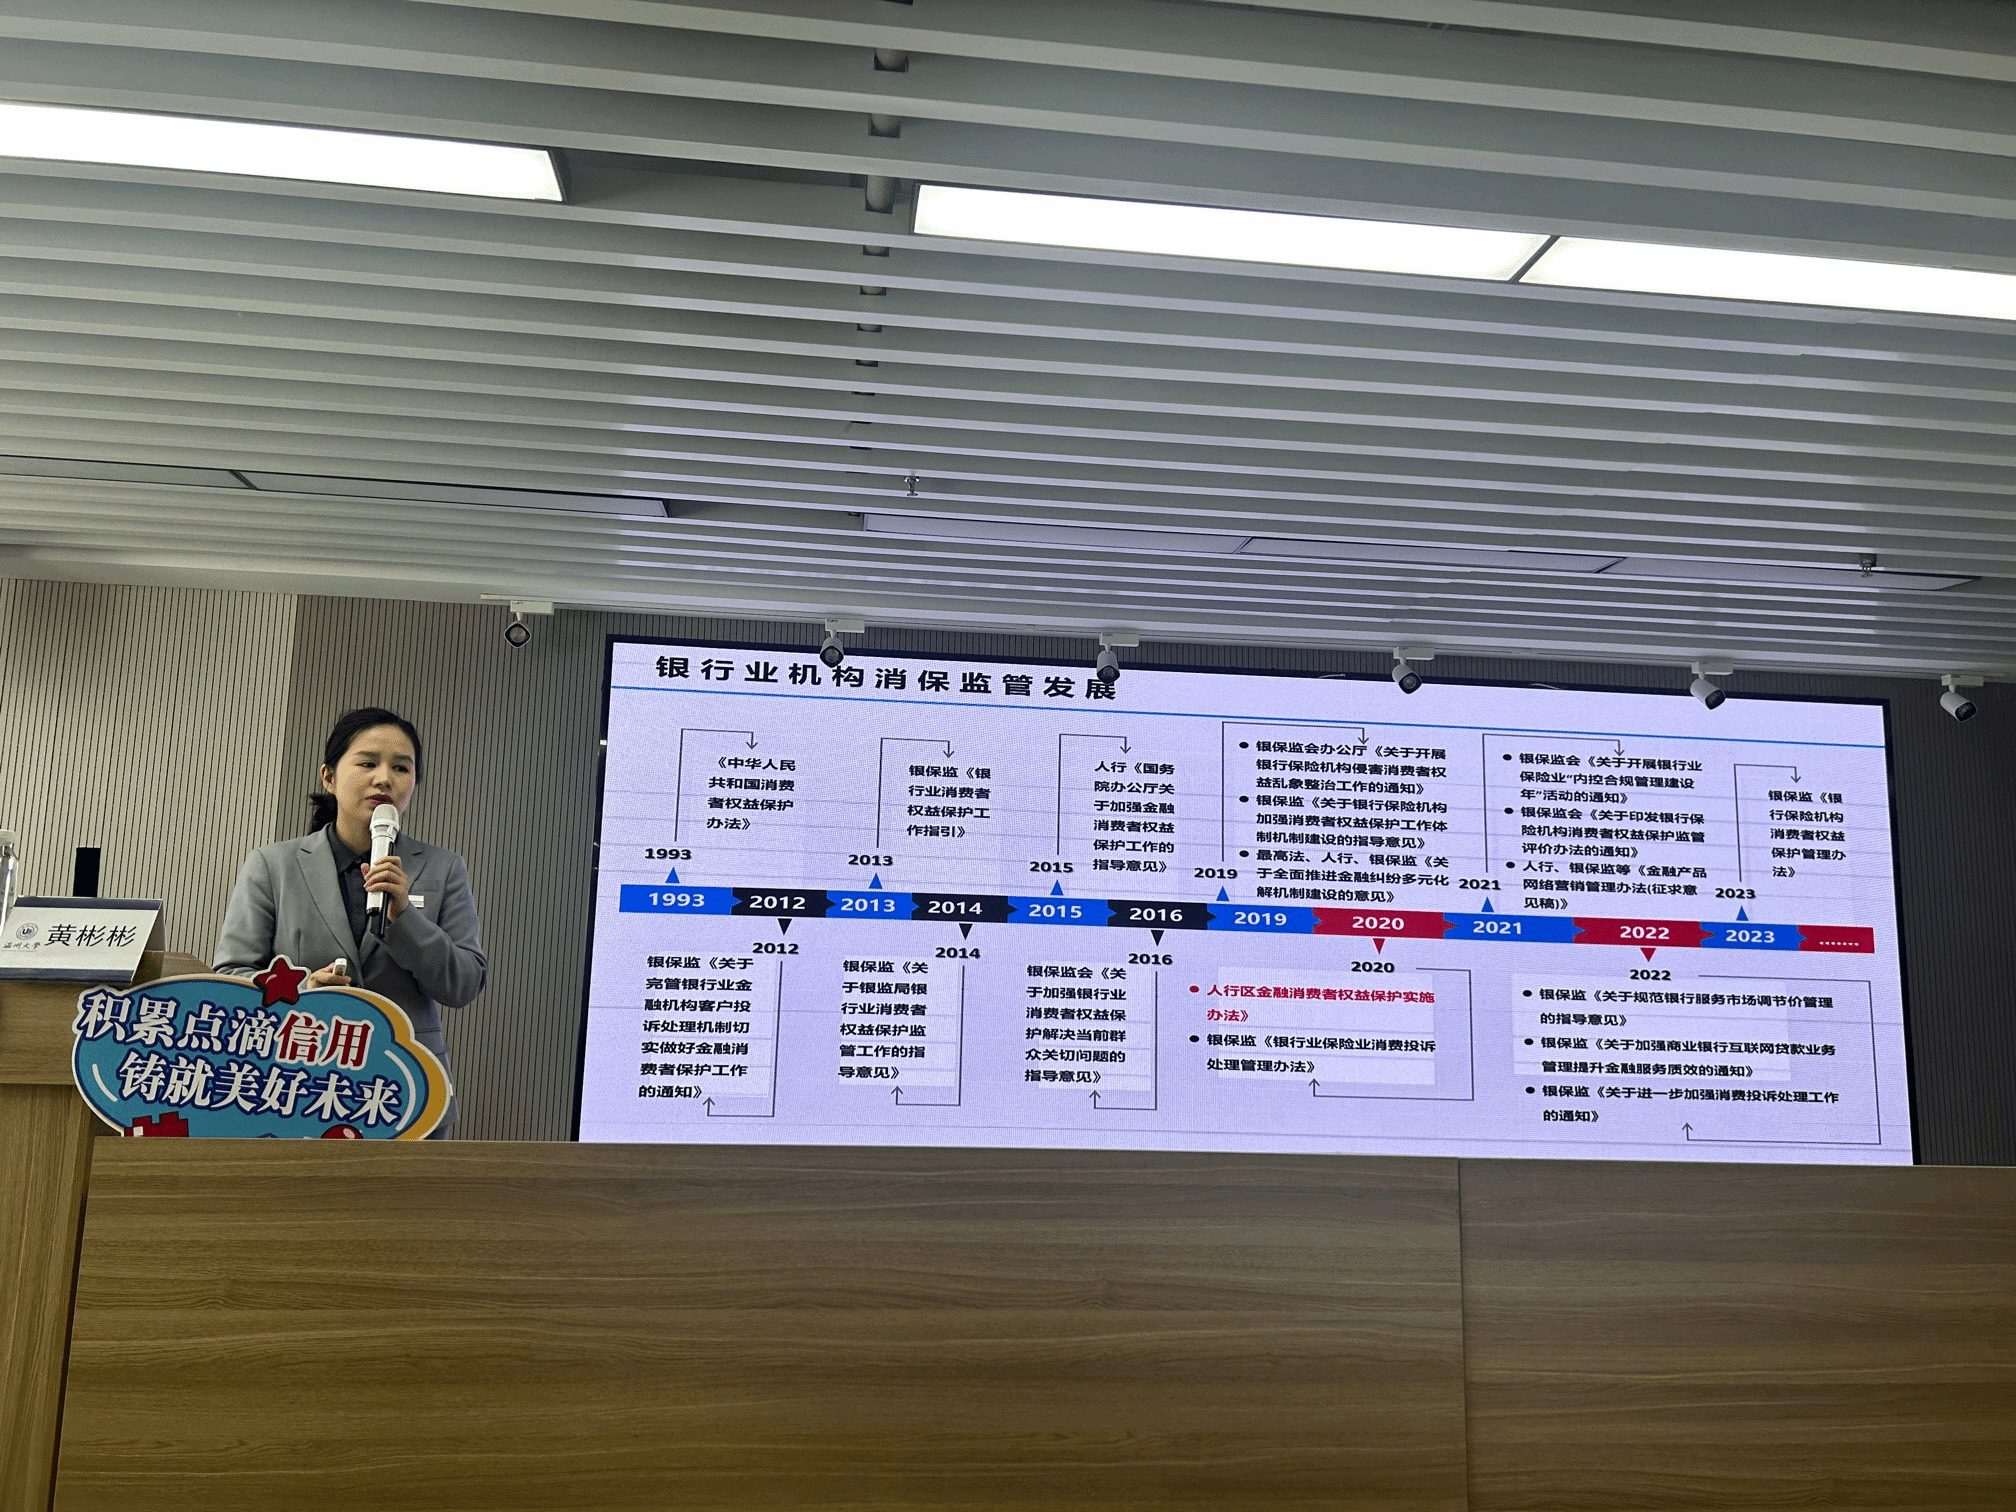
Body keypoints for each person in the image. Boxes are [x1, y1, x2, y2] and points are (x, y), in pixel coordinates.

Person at [215, 707, 487, 1132]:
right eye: (367, 763)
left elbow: (464, 984)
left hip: (408, 1090)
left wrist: (405, 919)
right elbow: (230, 979)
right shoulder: (273, 865)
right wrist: (302, 990)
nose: (384, 779)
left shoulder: (443, 868)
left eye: (401, 768)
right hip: (295, 1085)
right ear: (329, 777)